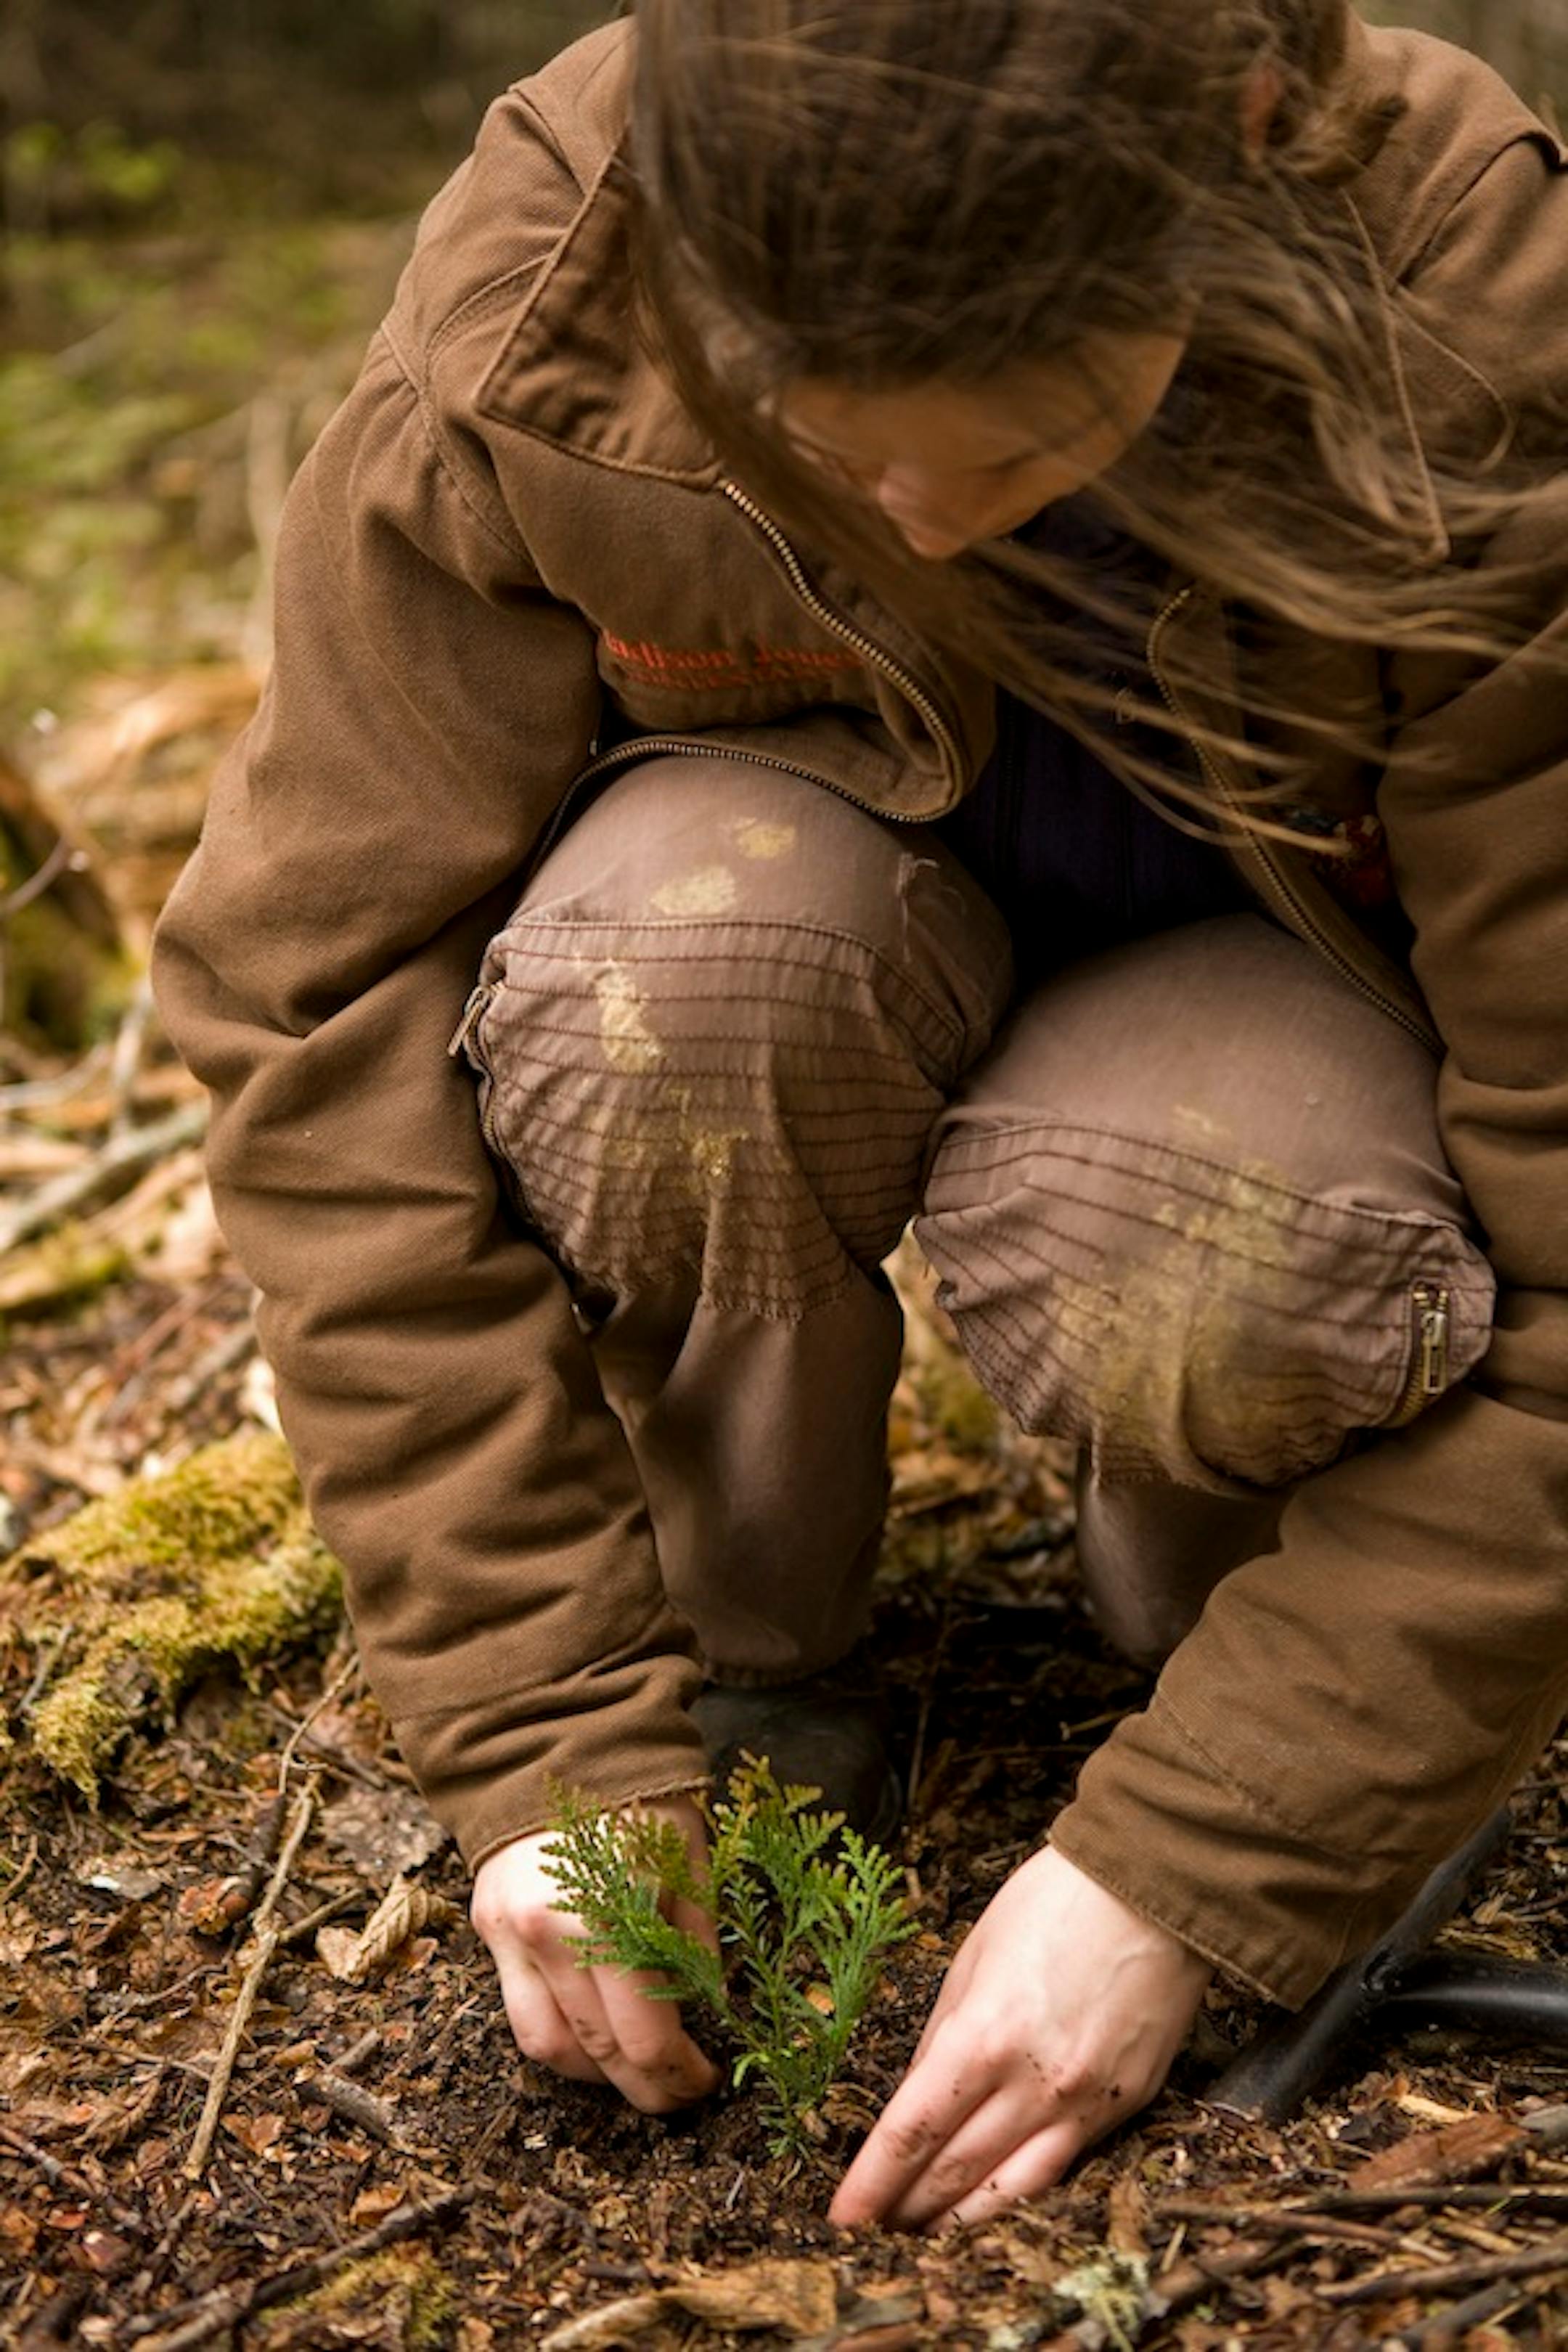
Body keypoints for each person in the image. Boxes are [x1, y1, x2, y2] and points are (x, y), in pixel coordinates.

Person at [151, 0, 1568, 2232]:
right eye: (811, 440)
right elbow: (310, 990)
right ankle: (741, 1659)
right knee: (679, 980)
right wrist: (533, 1723)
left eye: (1002, 456)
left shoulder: (1466, 304)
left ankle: (1223, 1645)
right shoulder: (564, 261)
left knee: (1215, 1210)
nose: (903, 520)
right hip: (809, 912)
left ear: (1243, 166)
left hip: (1283, 1018)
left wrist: (1204, 1864)